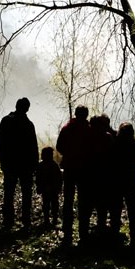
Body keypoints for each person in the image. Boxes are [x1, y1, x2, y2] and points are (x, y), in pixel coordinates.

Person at [0, 98, 39, 229]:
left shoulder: (6, 121)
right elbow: (33, 146)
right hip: (25, 165)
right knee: (26, 194)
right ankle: (26, 220)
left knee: (9, 193)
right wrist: (34, 164)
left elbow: (0, 143)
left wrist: (3, 160)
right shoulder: (28, 124)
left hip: (10, 163)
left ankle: (8, 220)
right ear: (27, 109)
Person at [56, 105, 92, 245]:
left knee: (68, 200)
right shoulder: (89, 129)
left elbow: (59, 146)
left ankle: (67, 230)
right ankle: (84, 231)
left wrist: (69, 153)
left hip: (70, 167)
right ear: (86, 115)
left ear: (76, 114)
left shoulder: (67, 128)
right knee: (84, 200)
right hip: (85, 169)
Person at [115, 122, 135, 248]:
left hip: (118, 180)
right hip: (131, 180)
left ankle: (115, 233)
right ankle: (134, 237)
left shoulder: (116, 145)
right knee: (132, 209)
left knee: (116, 208)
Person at [35, 146, 62, 227]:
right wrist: (59, 187)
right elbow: (59, 178)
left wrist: (39, 187)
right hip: (53, 189)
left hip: (46, 189)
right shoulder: (54, 165)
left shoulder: (41, 166)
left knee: (46, 204)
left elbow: (38, 178)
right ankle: (54, 219)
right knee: (54, 204)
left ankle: (47, 219)